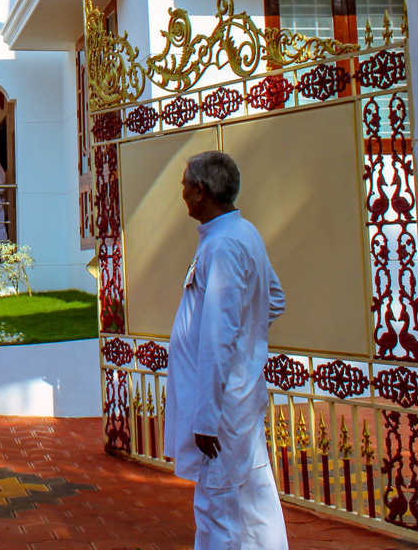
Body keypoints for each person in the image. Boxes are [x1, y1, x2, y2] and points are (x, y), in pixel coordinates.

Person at [164, 151, 289, 550]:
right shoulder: (241, 234)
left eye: (185, 184)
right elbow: (273, 300)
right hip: (239, 393)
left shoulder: (222, 246)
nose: (182, 192)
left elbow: (218, 337)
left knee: (217, 505)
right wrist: (250, 343)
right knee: (252, 496)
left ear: (200, 192)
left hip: (223, 405)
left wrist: (206, 418)